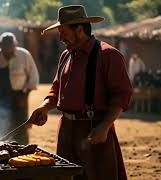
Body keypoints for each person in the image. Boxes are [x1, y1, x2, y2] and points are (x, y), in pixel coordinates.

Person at [28, 5, 132, 180]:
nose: (60, 38)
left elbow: (121, 95)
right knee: (67, 176)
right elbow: (56, 89)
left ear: (79, 29)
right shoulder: (65, 56)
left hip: (94, 129)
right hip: (67, 130)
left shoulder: (108, 55)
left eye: (63, 32)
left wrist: (105, 126)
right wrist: (45, 107)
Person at [0, 32, 39, 144]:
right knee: (0, 130)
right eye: (5, 46)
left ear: (15, 45)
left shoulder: (24, 55)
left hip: (19, 98)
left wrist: (24, 96)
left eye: (10, 46)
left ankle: (22, 153)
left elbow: (33, 78)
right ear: (0, 46)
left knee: (20, 130)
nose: (7, 49)